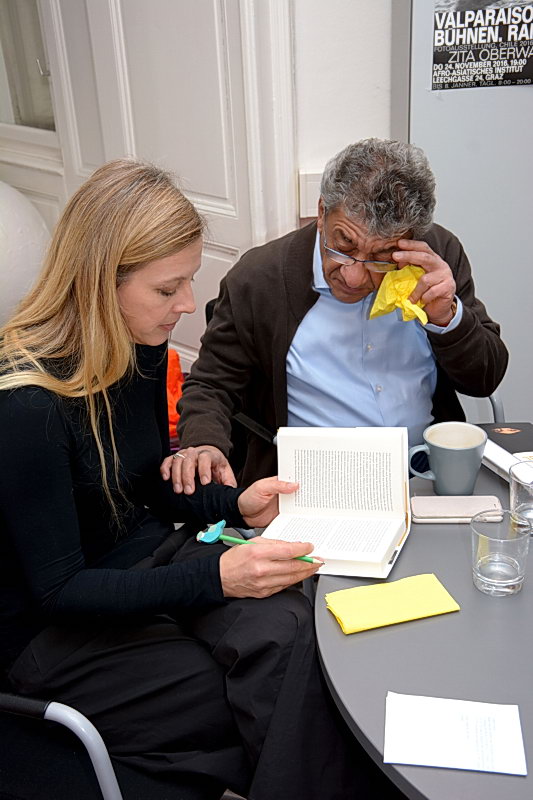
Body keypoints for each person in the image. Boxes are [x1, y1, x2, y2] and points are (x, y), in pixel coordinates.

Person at [0, 160, 402, 799]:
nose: (188, 305)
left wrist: (238, 503)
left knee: (290, 629)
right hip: (55, 631)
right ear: (100, 281)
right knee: (239, 695)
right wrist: (216, 577)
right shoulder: (27, 405)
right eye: (168, 289)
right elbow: (59, 591)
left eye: (188, 282)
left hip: (144, 560)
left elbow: (141, 484)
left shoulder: (138, 345)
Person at [173, 138, 508, 492]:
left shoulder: (436, 258)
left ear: (410, 238)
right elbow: (212, 385)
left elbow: (484, 380)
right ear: (321, 212)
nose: (353, 276)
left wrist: (447, 319)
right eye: (344, 244)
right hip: (314, 484)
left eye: (381, 257)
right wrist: (205, 444)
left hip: (426, 475)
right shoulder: (260, 279)